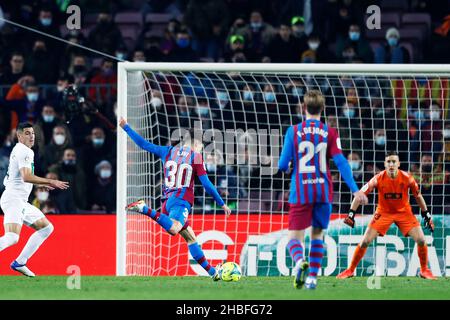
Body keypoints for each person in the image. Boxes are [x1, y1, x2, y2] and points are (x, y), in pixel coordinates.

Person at [119, 117, 231, 281]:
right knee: (174, 229)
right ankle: (144, 208)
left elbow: (144, 144)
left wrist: (126, 128)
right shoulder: (196, 157)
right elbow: (206, 184)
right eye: (200, 146)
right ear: (195, 143)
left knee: (191, 238)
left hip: (168, 201)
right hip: (181, 201)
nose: (201, 149)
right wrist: (222, 203)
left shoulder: (168, 151)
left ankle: (213, 273)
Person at [278, 90, 368, 289]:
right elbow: (342, 162)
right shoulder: (330, 132)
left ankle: (300, 260)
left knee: (294, 237)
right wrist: (355, 190)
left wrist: (290, 167)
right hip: (323, 190)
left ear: (304, 107)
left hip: (300, 190)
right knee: (317, 234)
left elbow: (282, 165)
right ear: (323, 108)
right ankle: (312, 278)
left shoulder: (293, 131)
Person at [337, 151, 437, 280]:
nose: (391, 164)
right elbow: (360, 194)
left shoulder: (408, 178)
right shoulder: (378, 178)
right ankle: (350, 270)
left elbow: (418, 197)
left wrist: (427, 216)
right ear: (385, 164)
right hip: (383, 213)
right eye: (389, 162)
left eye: (394, 161)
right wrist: (351, 214)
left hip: (404, 213)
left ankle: (424, 270)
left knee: (422, 240)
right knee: (365, 241)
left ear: (398, 164)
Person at [0, 122, 69, 277]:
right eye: (27, 133)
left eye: (32, 133)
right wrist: (51, 181)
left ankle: (20, 262)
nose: (31, 136)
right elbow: (26, 177)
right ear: (19, 136)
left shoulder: (20, 150)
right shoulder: (24, 151)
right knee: (11, 237)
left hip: (20, 201)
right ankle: (20, 262)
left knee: (46, 228)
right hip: (13, 199)